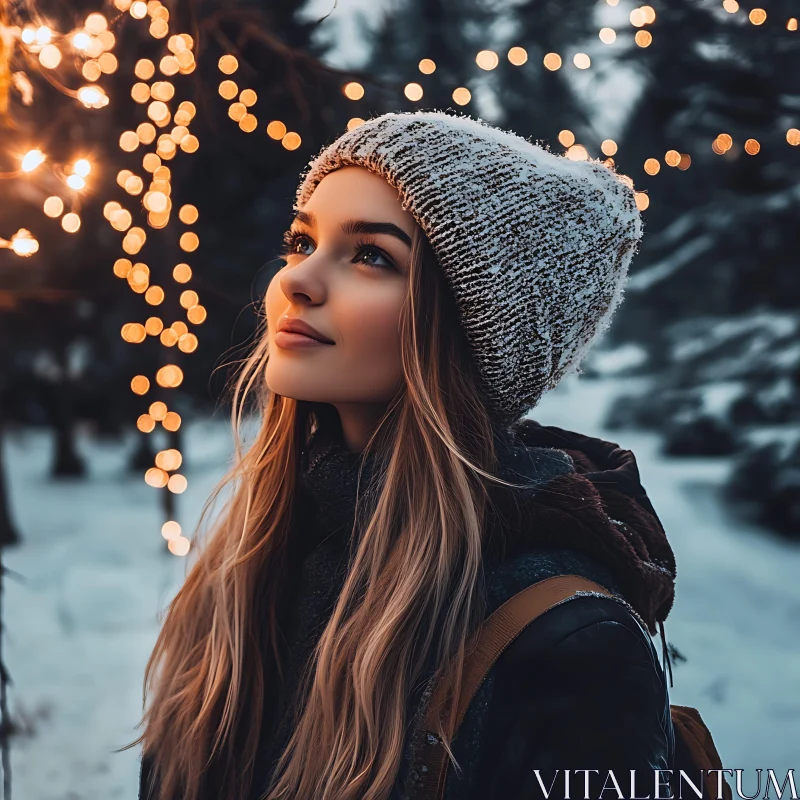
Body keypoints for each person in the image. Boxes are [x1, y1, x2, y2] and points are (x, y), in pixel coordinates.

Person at [131, 111, 678, 800]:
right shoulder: (252, 560)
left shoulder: (568, 641)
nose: (297, 281)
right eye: (302, 241)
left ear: (469, 331)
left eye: (372, 256)